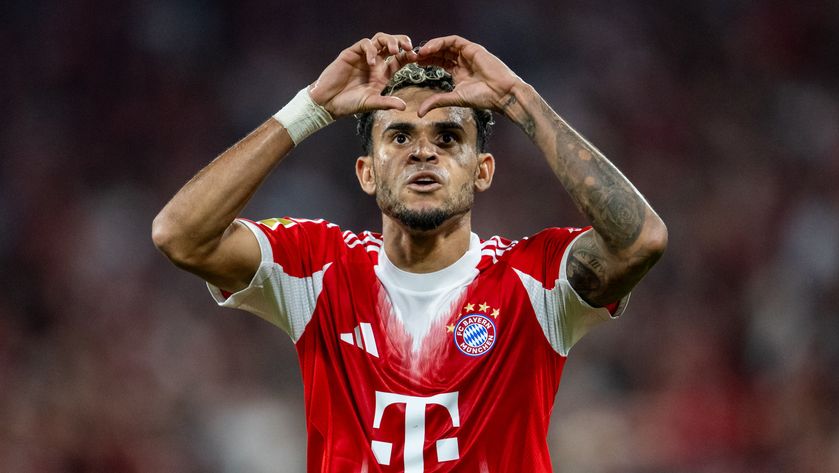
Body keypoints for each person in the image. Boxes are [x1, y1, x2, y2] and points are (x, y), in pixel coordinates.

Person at [152, 33, 667, 472]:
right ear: (367, 173)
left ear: (481, 171)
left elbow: (639, 241)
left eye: (448, 137)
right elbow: (179, 234)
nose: (424, 151)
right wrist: (311, 109)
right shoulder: (317, 267)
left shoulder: (535, 278)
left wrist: (517, 99)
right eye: (400, 136)